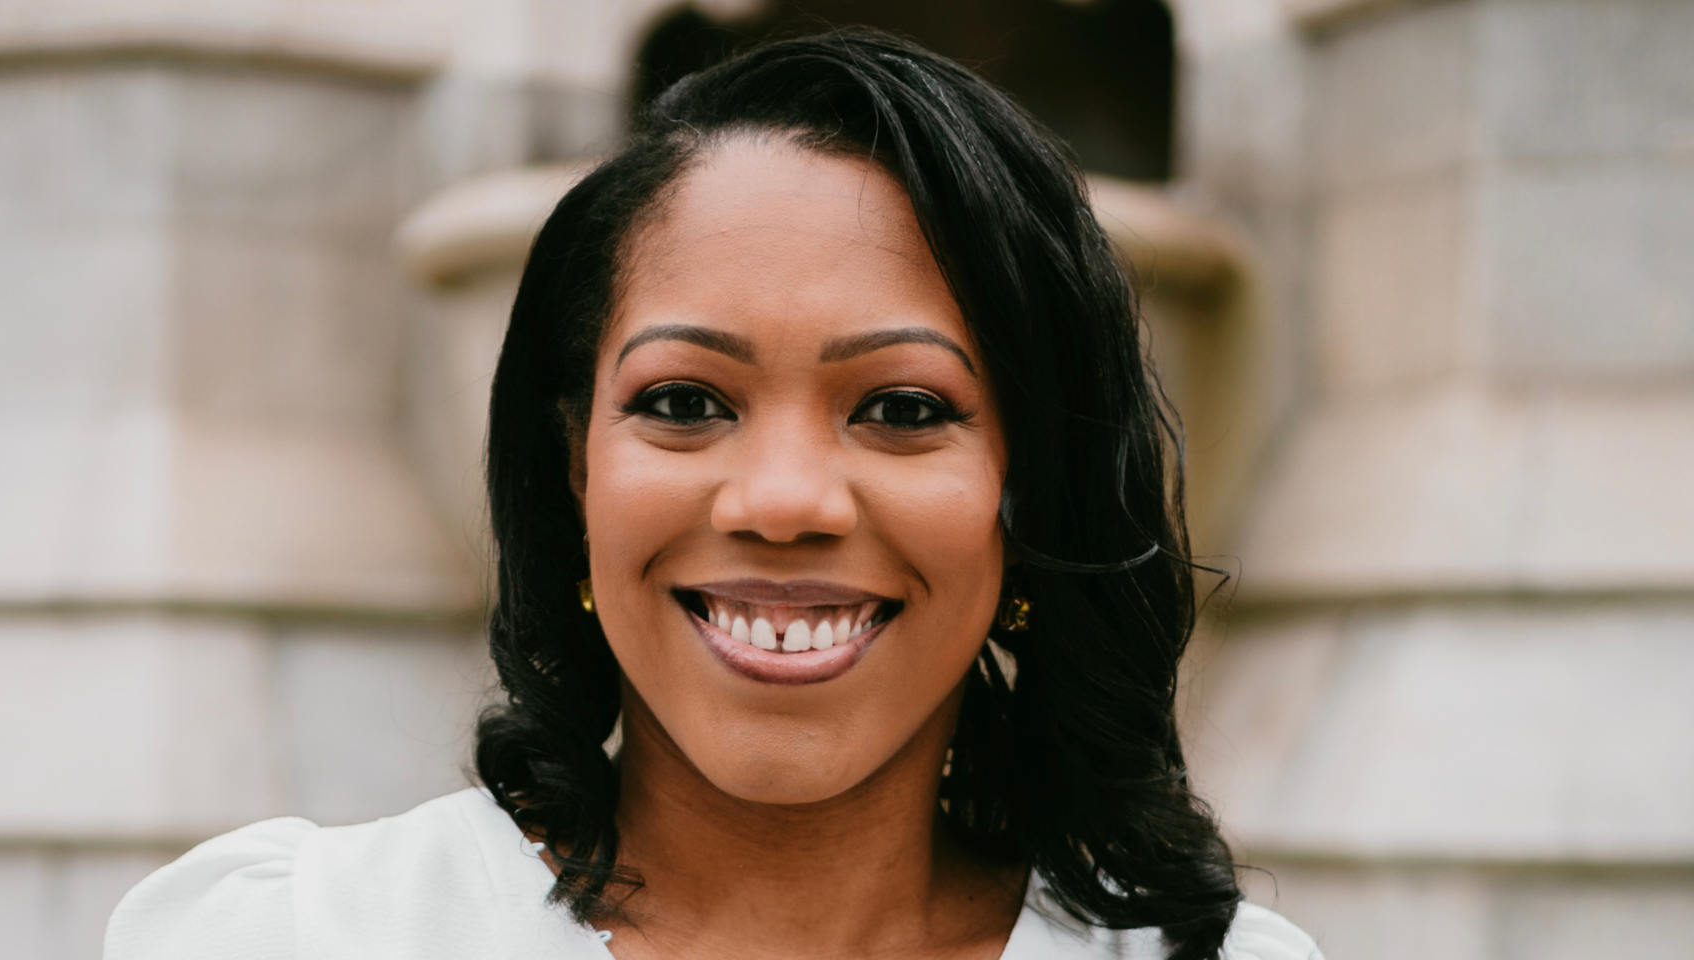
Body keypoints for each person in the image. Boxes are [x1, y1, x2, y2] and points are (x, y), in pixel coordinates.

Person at [106, 28, 1321, 960]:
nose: (784, 500)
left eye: (903, 408)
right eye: (686, 402)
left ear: (1031, 494)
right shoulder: (302, 938)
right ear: (573, 469)